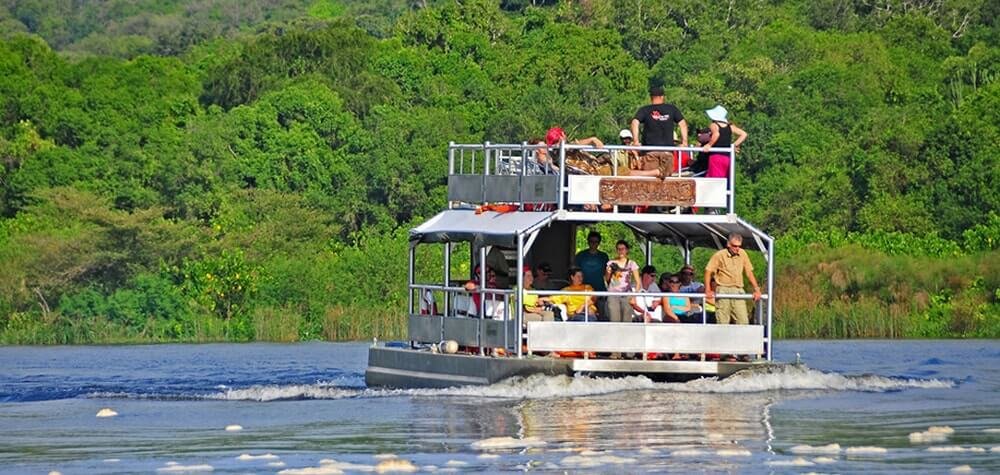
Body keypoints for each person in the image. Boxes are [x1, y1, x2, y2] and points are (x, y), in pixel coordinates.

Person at [704, 233, 761, 328]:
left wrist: (756, 289)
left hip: (738, 290)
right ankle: (723, 340)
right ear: (728, 244)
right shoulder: (719, 255)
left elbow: (749, 272)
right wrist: (708, 289)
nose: (737, 248)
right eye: (734, 246)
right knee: (723, 321)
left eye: (739, 246)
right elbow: (708, 271)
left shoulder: (743, 254)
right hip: (723, 289)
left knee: (743, 320)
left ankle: (742, 341)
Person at [630, 86, 689, 177]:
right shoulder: (671, 109)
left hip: (650, 151)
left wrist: (636, 141)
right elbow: (683, 124)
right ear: (662, 96)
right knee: (667, 179)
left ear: (651, 97)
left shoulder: (645, 110)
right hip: (668, 151)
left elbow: (634, 122)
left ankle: (653, 173)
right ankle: (659, 172)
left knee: (650, 181)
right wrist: (684, 142)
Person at [702, 105, 748, 180]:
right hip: (727, 157)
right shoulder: (730, 127)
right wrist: (733, 145)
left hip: (716, 156)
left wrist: (709, 145)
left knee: (714, 180)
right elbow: (743, 134)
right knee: (724, 179)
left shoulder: (714, 125)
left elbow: (716, 134)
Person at [604, 240, 641, 323]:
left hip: (627, 294)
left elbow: (638, 282)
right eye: (618, 249)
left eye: (623, 249)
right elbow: (607, 279)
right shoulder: (611, 263)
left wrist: (634, 297)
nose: (620, 251)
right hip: (613, 294)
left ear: (627, 250)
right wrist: (608, 272)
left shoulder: (632, 263)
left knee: (626, 320)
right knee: (614, 319)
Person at [575, 231, 609, 318]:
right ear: (588, 241)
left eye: (596, 242)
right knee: (586, 314)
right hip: (584, 290)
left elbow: (607, 273)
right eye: (591, 241)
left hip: (599, 289)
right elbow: (574, 272)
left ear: (599, 243)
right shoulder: (581, 255)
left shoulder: (604, 256)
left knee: (602, 315)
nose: (593, 244)